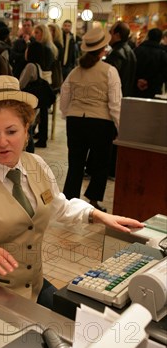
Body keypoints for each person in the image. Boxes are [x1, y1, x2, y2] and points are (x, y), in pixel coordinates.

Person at [0, 75, 142, 309]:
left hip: (34, 285)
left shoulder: (37, 165)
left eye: (11, 131)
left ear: (26, 130)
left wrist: (96, 215)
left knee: (82, 322)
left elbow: (57, 207)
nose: (3, 142)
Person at [60, 27, 121, 212]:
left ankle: (70, 200)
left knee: (75, 162)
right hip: (101, 122)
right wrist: (120, 127)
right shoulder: (110, 71)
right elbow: (115, 102)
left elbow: (64, 95)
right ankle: (93, 201)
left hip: (76, 120)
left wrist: (66, 113)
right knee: (100, 163)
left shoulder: (75, 71)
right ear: (104, 49)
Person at [104, 21, 137, 179]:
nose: (109, 35)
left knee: (111, 138)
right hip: (124, 99)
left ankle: (109, 169)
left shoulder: (117, 54)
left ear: (117, 34)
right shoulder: (129, 51)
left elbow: (109, 81)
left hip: (115, 101)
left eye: (111, 32)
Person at [19, 41, 55, 149]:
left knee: (27, 130)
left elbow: (21, 84)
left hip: (28, 102)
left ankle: (29, 152)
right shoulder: (38, 66)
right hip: (35, 102)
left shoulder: (30, 66)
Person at [133, 28, 167, 99]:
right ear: (160, 39)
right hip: (154, 90)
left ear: (148, 36)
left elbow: (131, 68)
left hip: (136, 88)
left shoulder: (137, 50)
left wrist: (138, 80)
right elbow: (164, 73)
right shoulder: (162, 54)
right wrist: (149, 82)